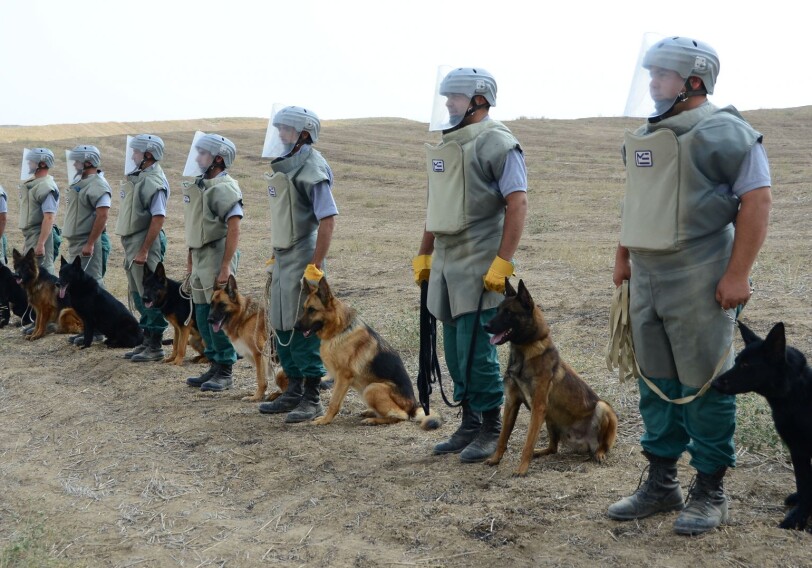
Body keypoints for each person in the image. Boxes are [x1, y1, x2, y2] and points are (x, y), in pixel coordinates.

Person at [607, 36, 772, 535]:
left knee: (703, 382)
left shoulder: (725, 132)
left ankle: (711, 490)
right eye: (650, 73)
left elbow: (758, 201)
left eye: (662, 74)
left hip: (700, 273)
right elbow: (637, 200)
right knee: (656, 380)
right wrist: (623, 255)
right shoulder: (645, 135)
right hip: (648, 278)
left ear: (694, 81)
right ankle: (661, 483)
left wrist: (737, 273)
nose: (652, 82)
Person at [413, 67, 528, 463]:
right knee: (453, 348)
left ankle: (491, 426)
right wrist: (424, 252)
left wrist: (503, 263)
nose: (448, 104)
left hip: (479, 264)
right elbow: (435, 207)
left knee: (477, 350)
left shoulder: (497, 142)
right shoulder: (447, 145)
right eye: (446, 97)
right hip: (446, 264)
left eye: (456, 97)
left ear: (479, 100)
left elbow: (517, 203)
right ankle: (469, 421)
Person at [257, 105, 338, 423]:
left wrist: (315, 266)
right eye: (278, 129)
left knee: (303, 326)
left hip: (304, 258)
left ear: (303, 133)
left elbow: (328, 219)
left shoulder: (312, 169)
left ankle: (311, 397)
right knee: (281, 321)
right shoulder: (286, 169)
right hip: (284, 258)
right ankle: (292, 390)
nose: (279, 135)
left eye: (286, 129)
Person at [182, 132, 242, 392]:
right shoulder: (200, 186)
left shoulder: (224, 188)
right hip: (200, 257)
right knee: (204, 315)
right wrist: (190, 261)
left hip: (217, 255)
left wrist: (226, 266)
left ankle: (226, 370)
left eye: (203, 153)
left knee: (219, 316)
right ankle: (214, 364)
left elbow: (234, 227)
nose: (198, 157)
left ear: (218, 158)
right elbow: (194, 227)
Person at [115, 134, 170, 362]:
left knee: (150, 296)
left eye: (136, 152)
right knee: (139, 295)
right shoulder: (139, 178)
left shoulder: (153, 181)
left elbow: (158, 217)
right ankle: (146, 340)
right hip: (134, 243)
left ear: (148, 155)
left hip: (144, 243)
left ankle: (155, 345)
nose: (132, 156)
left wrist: (144, 250)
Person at [64, 145, 113, 344]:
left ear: (88, 162)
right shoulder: (81, 183)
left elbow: (103, 215)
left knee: (93, 286)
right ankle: (89, 329)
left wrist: (91, 242)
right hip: (77, 242)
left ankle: (98, 330)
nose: (74, 165)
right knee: (80, 289)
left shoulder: (98, 185)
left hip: (87, 242)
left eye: (77, 161)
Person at [18, 148, 60, 276]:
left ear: (42, 164)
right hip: (33, 235)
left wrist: (41, 244)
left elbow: (48, 218)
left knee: (42, 274)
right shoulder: (36, 184)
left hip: (39, 235)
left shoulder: (46, 186)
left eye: (32, 161)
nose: (29, 163)